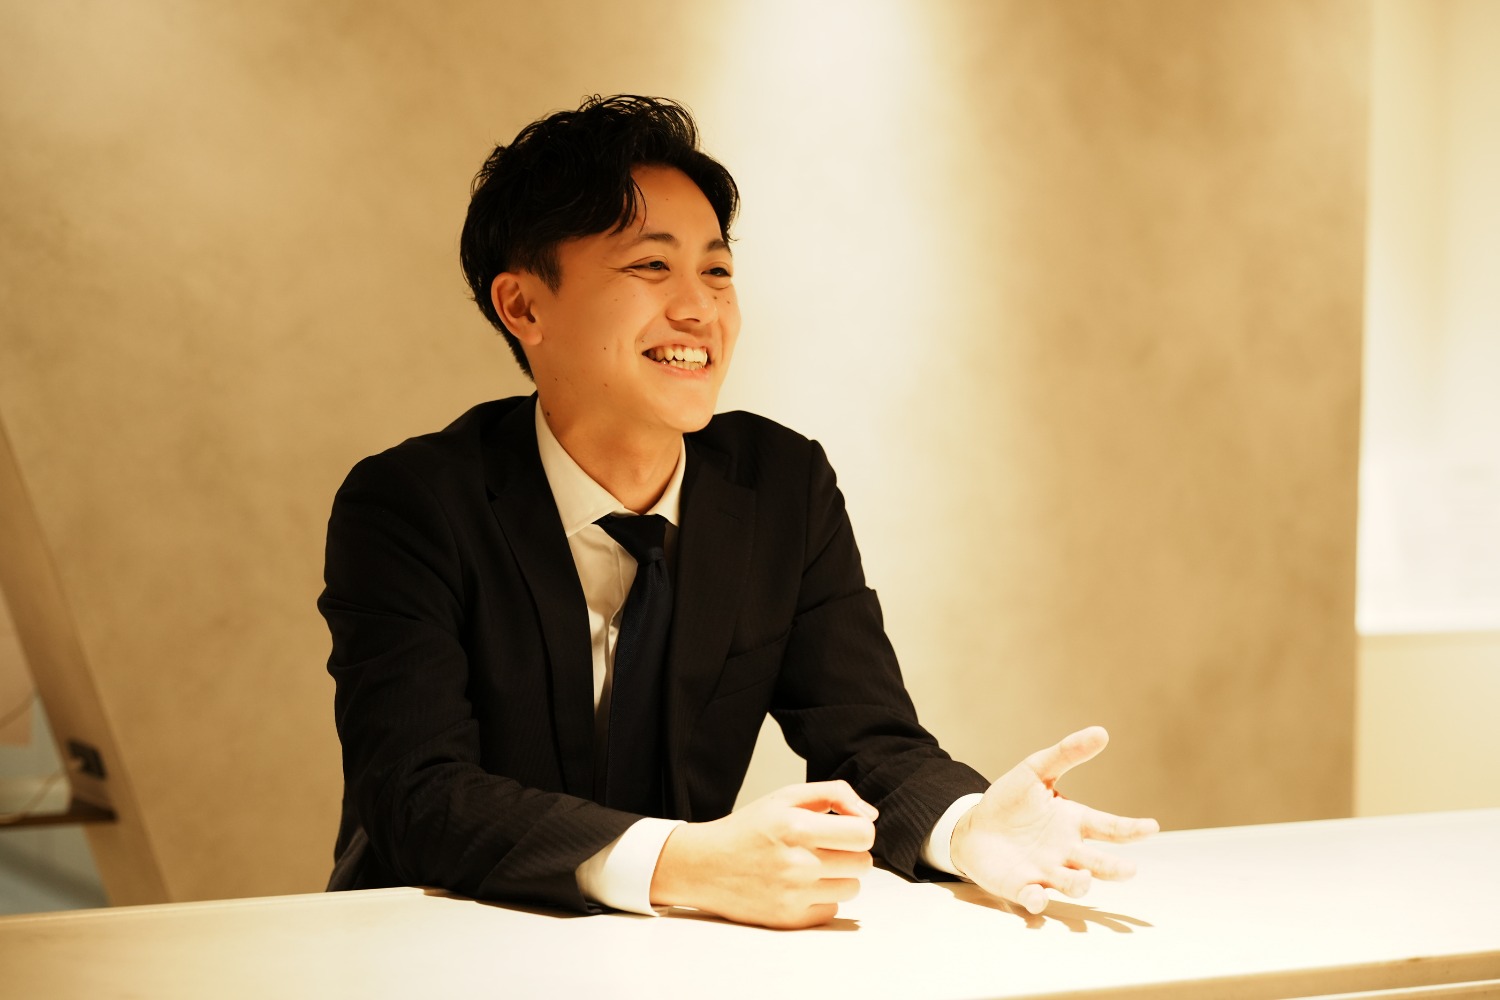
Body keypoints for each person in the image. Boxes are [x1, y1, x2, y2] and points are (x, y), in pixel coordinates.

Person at [319, 94, 1157, 929]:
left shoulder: (781, 487)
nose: (700, 309)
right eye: (651, 267)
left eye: (717, 271)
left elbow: (868, 741)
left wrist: (967, 828)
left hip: (668, 953)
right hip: (435, 941)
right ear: (524, 307)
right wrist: (685, 863)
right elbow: (418, 794)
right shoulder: (412, 505)